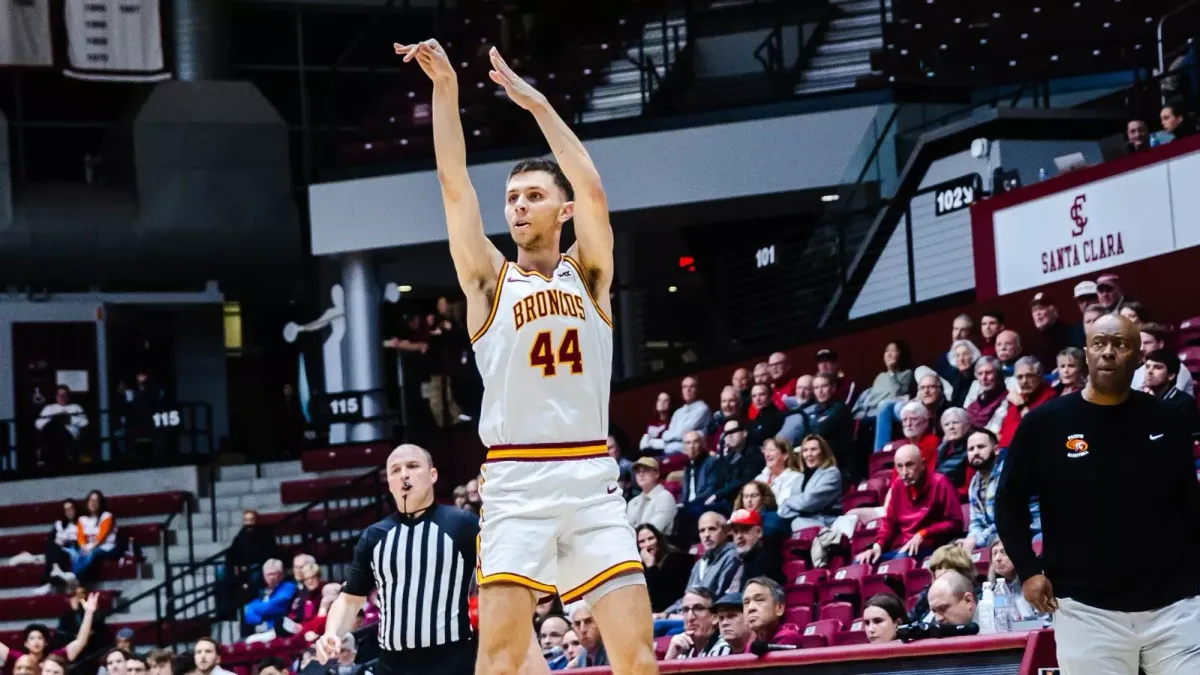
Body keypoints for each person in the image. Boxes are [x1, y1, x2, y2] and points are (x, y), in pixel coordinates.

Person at [394, 38, 653, 675]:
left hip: (593, 481)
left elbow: (593, 189)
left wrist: (537, 105)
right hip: (518, 480)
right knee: (503, 659)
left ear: (561, 210)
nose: (517, 206)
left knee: (639, 658)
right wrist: (446, 93)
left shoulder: (588, 274)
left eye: (533, 196)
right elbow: (455, 190)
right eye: (512, 198)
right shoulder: (489, 281)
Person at [996, 313, 1200, 674]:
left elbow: (1190, 504)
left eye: (1120, 345)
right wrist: (1028, 570)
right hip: (1086, 613)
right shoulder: (1044, 424)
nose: (1108, 353)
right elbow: (1009, 503)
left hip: (1176, 609)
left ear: (1138, 357)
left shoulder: (1169, 419)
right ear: (1086, 355)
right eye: (1099, 344)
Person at [317, 446, 479, 675]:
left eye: (413, 466)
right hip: (392, 666)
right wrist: (331, 632)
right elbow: (350, 599)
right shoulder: (373, 537)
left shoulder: (463, 524)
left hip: (453, 662)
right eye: (395, 470)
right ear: (389, 483)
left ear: (433, 475)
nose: (404, 474)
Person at [855, 445, 963, 565]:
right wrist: (877, 546)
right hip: (902, 549)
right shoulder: (897, 486)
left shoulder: (940, 482)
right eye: (899, 467)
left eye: (909, 465)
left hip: (931, 549)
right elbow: (889, 523)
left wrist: (923, 534)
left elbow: (956, 523)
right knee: (861, 561)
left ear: (923, 464)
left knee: (901, 559)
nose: (904, 473)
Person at [0, 595, 99, 672]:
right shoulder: (17, 658)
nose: (36, 641)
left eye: (40, 638)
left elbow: (80, 641)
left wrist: (89, 612)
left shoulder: (55, 658)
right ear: (26, 643)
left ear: (46, 642)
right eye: (32, 638)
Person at [777, 434, 843, 531]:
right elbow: (784, 511)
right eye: (805, 450)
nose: (809, 454)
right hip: (801, 521)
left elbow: (809, 501)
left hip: (825, 523)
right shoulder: (799, 478)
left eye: (813, 449)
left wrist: (788, 501)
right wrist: (797, 505)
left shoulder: (831, 473)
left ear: (823, 452)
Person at [635, 525, 691, 615]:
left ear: (658, 539)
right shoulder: (638, 566)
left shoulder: (680, 560)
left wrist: (651, 567)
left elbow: (662, 598)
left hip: (672, 612)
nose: (648, 544)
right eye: (642, 541)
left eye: (651, 538)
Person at [662, 588, 729, 660]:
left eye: (698, 609)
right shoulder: (680, 647)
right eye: (686, 610)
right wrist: (670, 658)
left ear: (715, 618)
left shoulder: (725, 647)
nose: (690, 618)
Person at [740, 578, 803, 650]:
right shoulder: (752, 643)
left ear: (779, 608)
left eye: (759, 599)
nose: (750, 608)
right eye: (746, 602)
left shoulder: (787, 637)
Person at [72, 490, 120, 581]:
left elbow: (102, 536)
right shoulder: (81, 519)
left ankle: (76, 580)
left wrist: (90, 548)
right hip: (88, 547)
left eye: (96, 501)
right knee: (76, 555)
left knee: (91, 554)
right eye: (91, 500)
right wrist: (83, 547)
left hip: (107, 547)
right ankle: (76, 580)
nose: (93, 503)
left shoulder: (107, 516)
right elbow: (80, 537)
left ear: (100, 503)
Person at [242, 559, 297, 637]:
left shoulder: (288, 587)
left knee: (250, 640)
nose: (271, 577)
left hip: (280, 630)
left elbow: (271, 606)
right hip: (263, 629)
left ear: (281, 575)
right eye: (268, 574)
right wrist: (259, 618)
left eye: (274, 574)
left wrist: (257, 612)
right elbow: (248, 613)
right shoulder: (264, 591)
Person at [625, 458, 675, 535]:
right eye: (638, 472)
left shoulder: (665, 497)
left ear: (657, 474)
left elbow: (653, 530)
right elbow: (626, 529)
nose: (641, 474)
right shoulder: (632, 502)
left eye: (646, 470)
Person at [753, 437, 801, 506]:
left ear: (785, 455)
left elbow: (782, 505)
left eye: (771, 450)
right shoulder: (759, 478)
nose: (767, 454)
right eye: (765, 450)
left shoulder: (794, 478)